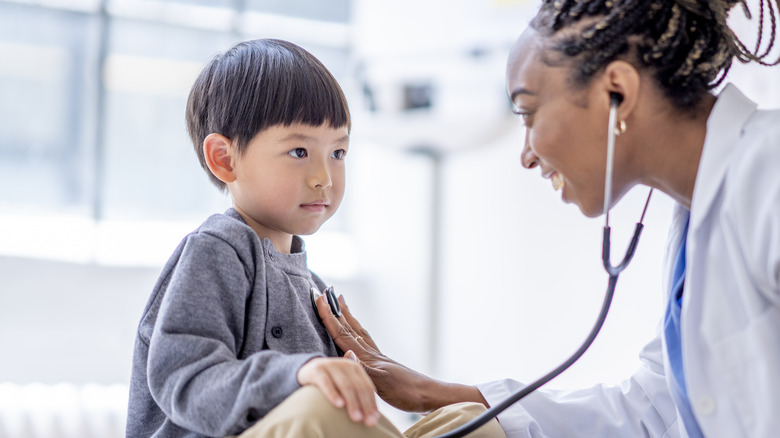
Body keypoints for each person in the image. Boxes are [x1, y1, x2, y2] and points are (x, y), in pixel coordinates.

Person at [313, 0, 780, 437]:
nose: (526, 155)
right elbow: (653, 410)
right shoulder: (699, 216)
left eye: (529, 112)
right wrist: (432, 393)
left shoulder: (768, 173)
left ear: (617, 91)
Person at [126, 38, 504, 438]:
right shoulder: (217, 250)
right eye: (299, 152)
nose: (324, 176)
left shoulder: (316, 291)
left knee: (470, 420)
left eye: (338, 153)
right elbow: (184, 377)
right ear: (225, 158)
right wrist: (299, 375)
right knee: (316, 406)